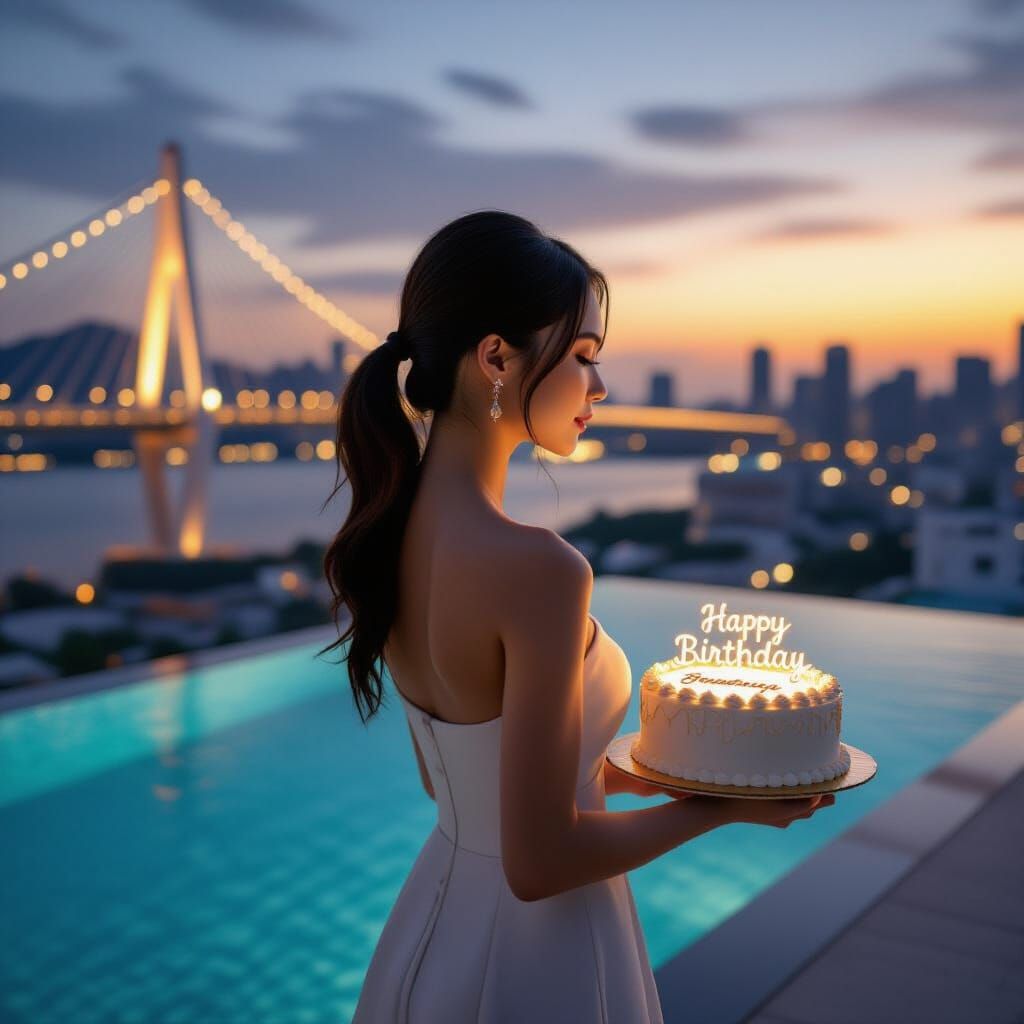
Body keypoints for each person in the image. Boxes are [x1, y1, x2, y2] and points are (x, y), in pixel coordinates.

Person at [320, 210, 833, 1023]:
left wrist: (688, 769)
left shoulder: (389, 534)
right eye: (586, 358)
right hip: (539, 953)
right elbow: (540, 860)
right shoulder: (540, 571)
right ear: (495, 357)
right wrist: (723, 809)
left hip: (432, 927)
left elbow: (459, 780)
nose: (599, 388)